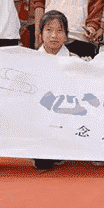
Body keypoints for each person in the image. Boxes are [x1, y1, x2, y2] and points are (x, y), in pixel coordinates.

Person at [32, 10, 72, 169]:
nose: (54, 35)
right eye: (49, 30)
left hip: (65, 119)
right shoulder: (29, 60)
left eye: (59, 31)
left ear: (66, 36)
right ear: (40, 33)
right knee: (42, 162)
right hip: (38, 120)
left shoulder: (75, 62)